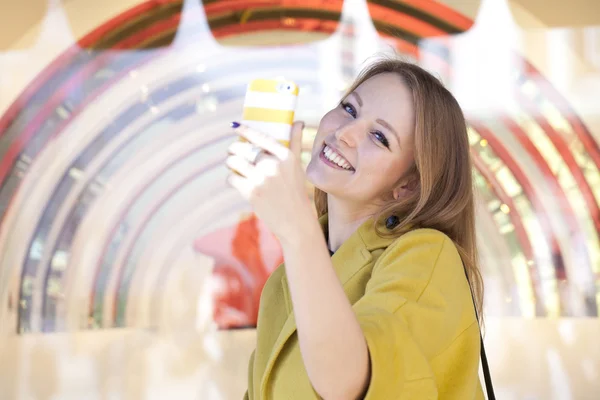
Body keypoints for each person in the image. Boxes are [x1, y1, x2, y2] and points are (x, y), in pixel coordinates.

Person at [226, 57, 485, 399]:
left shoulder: (427, 255)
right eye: (349, 108)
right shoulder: (284, 282)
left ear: (407, 185)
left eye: (379, 136)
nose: (344, 133)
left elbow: (350, 383)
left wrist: (297, 230)